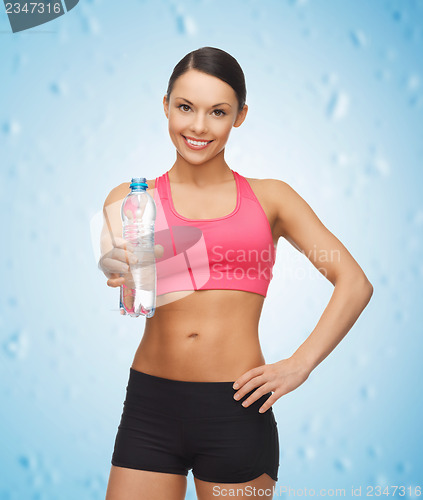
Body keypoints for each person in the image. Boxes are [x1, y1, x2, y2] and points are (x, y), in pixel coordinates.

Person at [99, 46, 373, 500]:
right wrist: (115, 265)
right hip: (150, 406)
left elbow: (354, 282)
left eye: (218, 112)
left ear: (240, 116)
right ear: (165, 105)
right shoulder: (132, 200)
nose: (199, 127)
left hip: (237, 407)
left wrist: (299, 365)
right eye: (185, 107)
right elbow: (121, 270)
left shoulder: (272, 200)